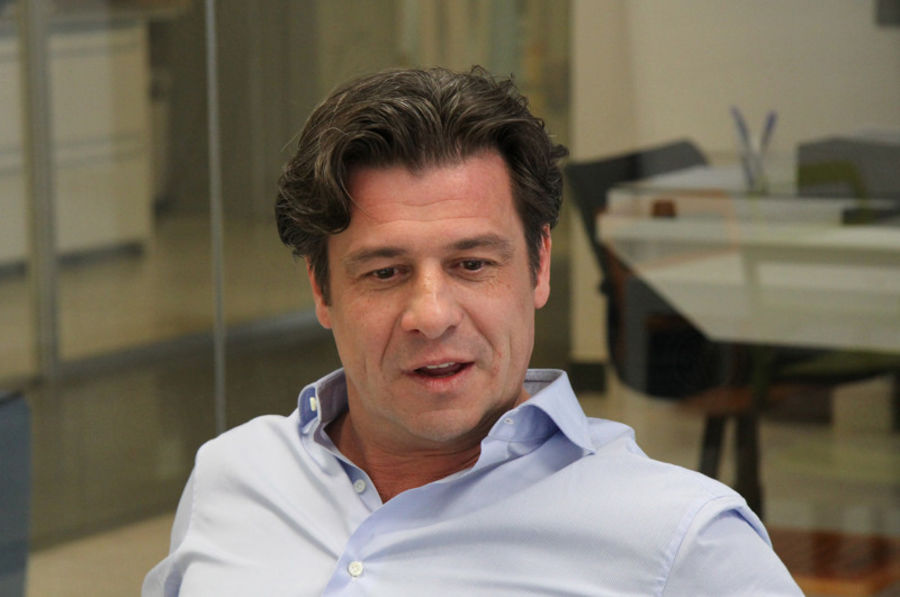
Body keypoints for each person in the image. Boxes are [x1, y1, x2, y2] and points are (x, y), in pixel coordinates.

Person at [143, 66, 802, 596]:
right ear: (322, 289)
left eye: (472, 264)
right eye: (384, 272)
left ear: (539, 266)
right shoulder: (234, 475)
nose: (431, 314)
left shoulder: (682, 543)